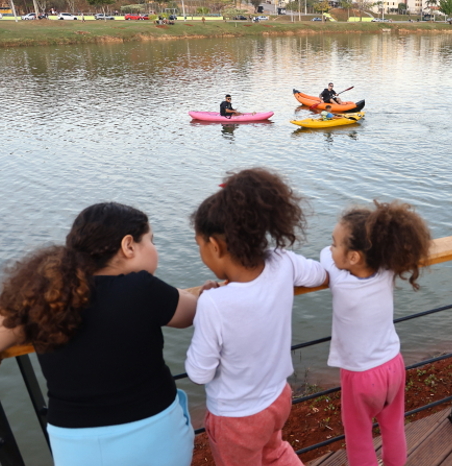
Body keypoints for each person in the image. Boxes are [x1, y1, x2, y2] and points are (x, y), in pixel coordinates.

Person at [0, 202, 203, 466]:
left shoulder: (48, 300)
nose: (156, 250)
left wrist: (28, 307)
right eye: (151, 241)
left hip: (74, 446)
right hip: (152, 435)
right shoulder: (142, 288)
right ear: (128, 246)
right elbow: (193, 312)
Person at [185, 168, 327, 466]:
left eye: (200, 246)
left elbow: (199, 373)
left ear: (215, 245)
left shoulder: (213, 303)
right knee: (274, 452)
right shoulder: (282, 262)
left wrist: (208, 302)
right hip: (277, 399)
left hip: (236, 418)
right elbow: (318, 274)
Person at [321, 200, 432, 466]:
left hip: (360, 376)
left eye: (336, 243)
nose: (331, 248)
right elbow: (341, 253)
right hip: (393, 366)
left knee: (358, 437)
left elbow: (325, 256)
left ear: (353, 257)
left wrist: (332, 251)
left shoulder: (340, 278)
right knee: (393, 426)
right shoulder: (386, 269)